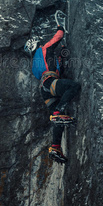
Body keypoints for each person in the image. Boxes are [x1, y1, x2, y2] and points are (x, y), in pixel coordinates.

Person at [24, 25, 81, 163]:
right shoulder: (43, 49)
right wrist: (60, 28)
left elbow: (54, 68)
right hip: (50, 83)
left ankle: (55, 147)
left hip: (45, 90)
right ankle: (58, 113)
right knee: (74, 87)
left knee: (58, 117)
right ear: (37, 45)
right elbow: (58, 37)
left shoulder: (34, 65)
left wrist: (60, 57)